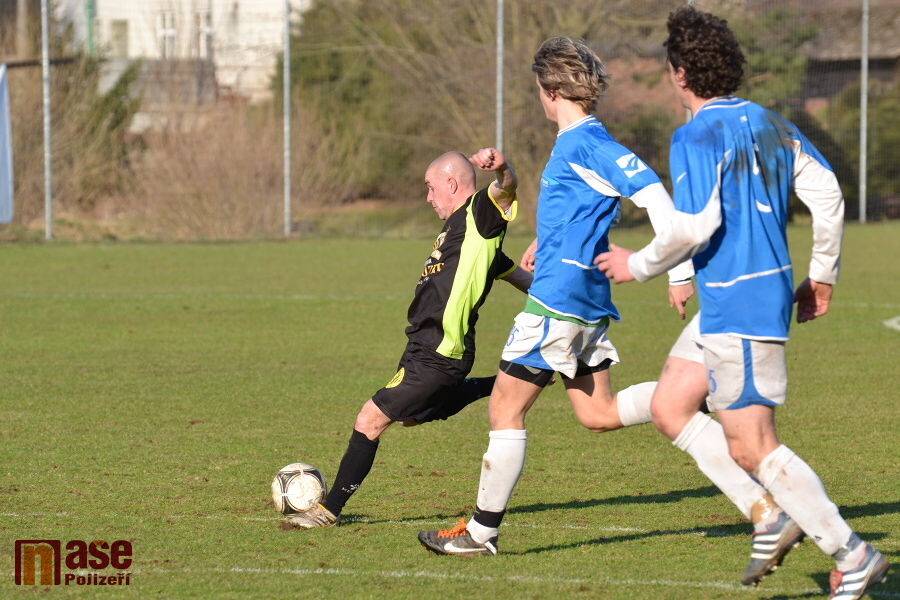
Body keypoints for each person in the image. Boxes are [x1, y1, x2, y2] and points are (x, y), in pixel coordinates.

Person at [416, 36, 751, 557]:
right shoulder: (576, 140)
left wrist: (679, 271)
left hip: (560, 300)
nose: (538, 97)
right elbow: (583, 212)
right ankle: (691, 394)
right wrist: (545, 243)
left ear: (551, 91)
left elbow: (655, 196)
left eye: (538, 89)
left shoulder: (587, 143)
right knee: (599, 413)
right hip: (582, 296)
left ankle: (480, 534)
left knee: (504, 408)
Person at [595, 7, 888, 599]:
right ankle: (768, 515)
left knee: (751, 443)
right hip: (740, 298)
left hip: (741, 303)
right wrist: (822, 274)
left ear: (679, 73)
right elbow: (827, 191)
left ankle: (851, 554)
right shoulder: (771, 123)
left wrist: (638, 264)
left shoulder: (695, 134)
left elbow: (695, 225)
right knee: (671, 405)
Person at [288, 148, 533, 529]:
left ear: (452, 184)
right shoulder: (459, 232)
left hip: (439, 351)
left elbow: (506, 189)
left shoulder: (479, 213)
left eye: (431, 188)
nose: (428, 197)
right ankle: (508, 380)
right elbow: (509, 270)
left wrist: (502, 169)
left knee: (369, 419)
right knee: (412, 418)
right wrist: (545, 293)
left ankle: (328, 511)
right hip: (423, 348)